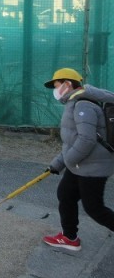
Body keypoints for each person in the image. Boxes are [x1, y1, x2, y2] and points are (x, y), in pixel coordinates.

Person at [41, 68, 114, 251]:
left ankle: (69, 236)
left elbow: (87, 140)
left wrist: (68, 161)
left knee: (94, 209)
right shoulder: (74, 103)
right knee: (65, 194)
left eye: (57, 85)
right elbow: (71, 142)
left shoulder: (83, 105)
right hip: (80, 164)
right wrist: (57, 164)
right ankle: (69, 237)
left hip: (93, 166)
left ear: (68, 84)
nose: (55, 90)